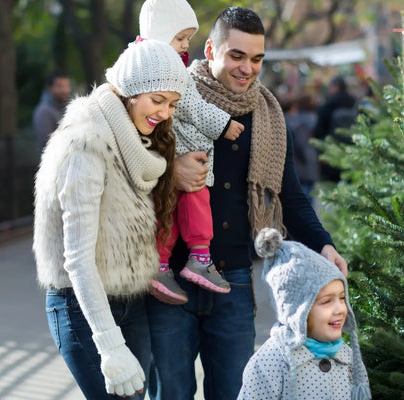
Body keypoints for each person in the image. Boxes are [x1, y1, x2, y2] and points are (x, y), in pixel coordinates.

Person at [146, 7, 348, 400]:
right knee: (170, 393)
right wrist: (170, 169)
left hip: (233, 282)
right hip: (167, 280)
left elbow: (289, 197)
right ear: (210, 50)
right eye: (236, 56)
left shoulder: (269, 118)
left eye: (256, 59)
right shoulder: (168, 99)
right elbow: (130, 168)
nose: (247, 68)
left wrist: (325, 246)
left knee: (238, 393)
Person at [33, 40, 189, 399]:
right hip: (80, 304)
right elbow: (78, 260)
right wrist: (110, 346)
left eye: (172, 103)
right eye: (157, 100)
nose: (165, 113)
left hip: (130, 299)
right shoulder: (86, 144)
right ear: (131, 91)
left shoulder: (133, 143)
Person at [137, 0, 245, 305]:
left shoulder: (141, 65)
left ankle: (159, 264)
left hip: (166, 155)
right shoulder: (172, 73)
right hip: (181, 150)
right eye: (181, 37)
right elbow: (195, 108)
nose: (186, 45)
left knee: (168, 212)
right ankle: (198, 256)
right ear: (160, 35)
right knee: (194, 202)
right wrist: (224, 124)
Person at [238, 228, 371, 400]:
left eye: (342, 298)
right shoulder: (270, 363)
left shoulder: (349, 360)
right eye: (326, 301)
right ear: (298, 311)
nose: (340, 309)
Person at [313, 75, 356, 182]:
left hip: (331, 154)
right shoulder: (355, 103)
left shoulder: (328, 105)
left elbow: (318, 131)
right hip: (353, 154)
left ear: (335, 87)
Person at [284, 93, 320, 202]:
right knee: (310, 190)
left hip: (296, 159)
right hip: (312, 159)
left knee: (298, 190)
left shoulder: (291, 121)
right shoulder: (315, 120)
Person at [32, 70, 71, 153]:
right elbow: (47, 144)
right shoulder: (43, 111)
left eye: (66, 85)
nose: (65, 90)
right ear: (50, 88)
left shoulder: (66, 108)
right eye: (60, 86)